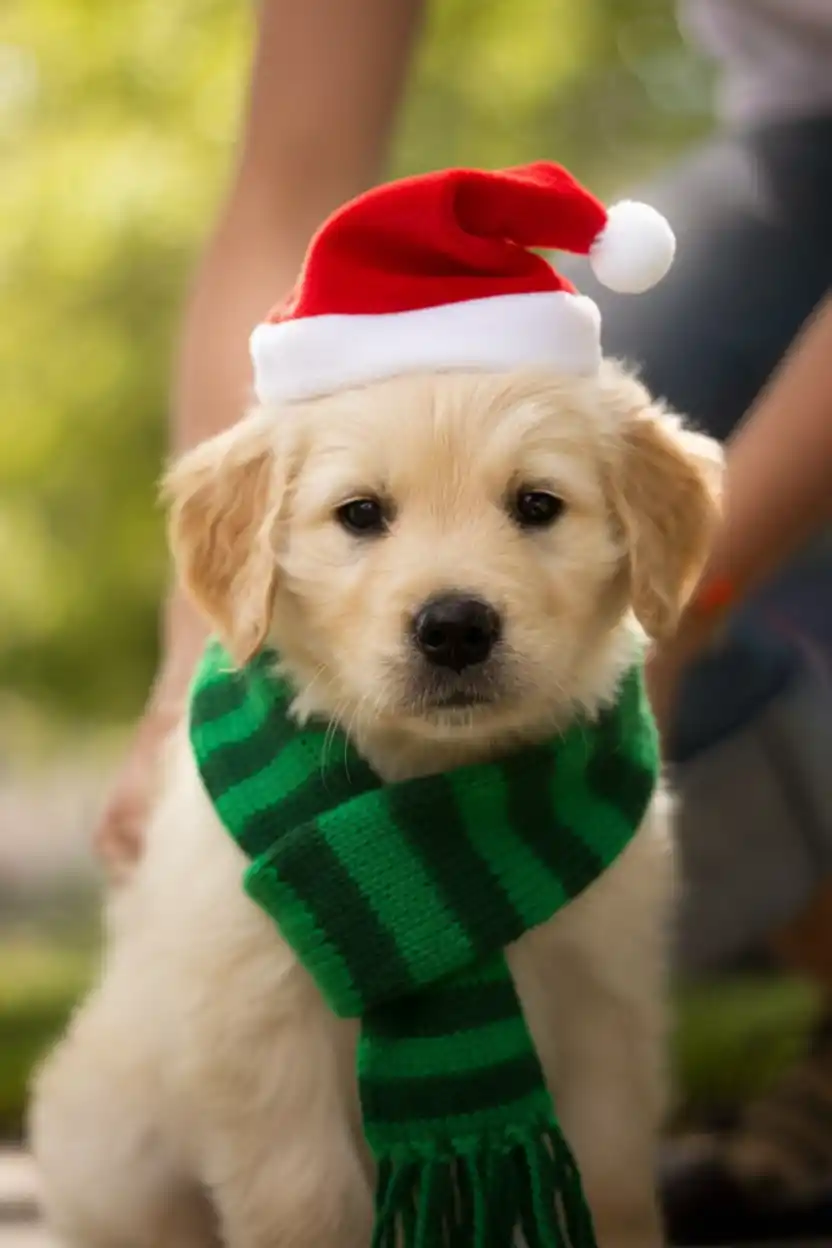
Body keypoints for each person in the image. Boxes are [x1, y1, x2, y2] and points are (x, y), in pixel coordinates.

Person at [96, 0, 832, 1240]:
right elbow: (291, 179)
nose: (452, 601)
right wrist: (193, 654)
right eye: (367, 513)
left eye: (530, 504)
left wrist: (683, 607)